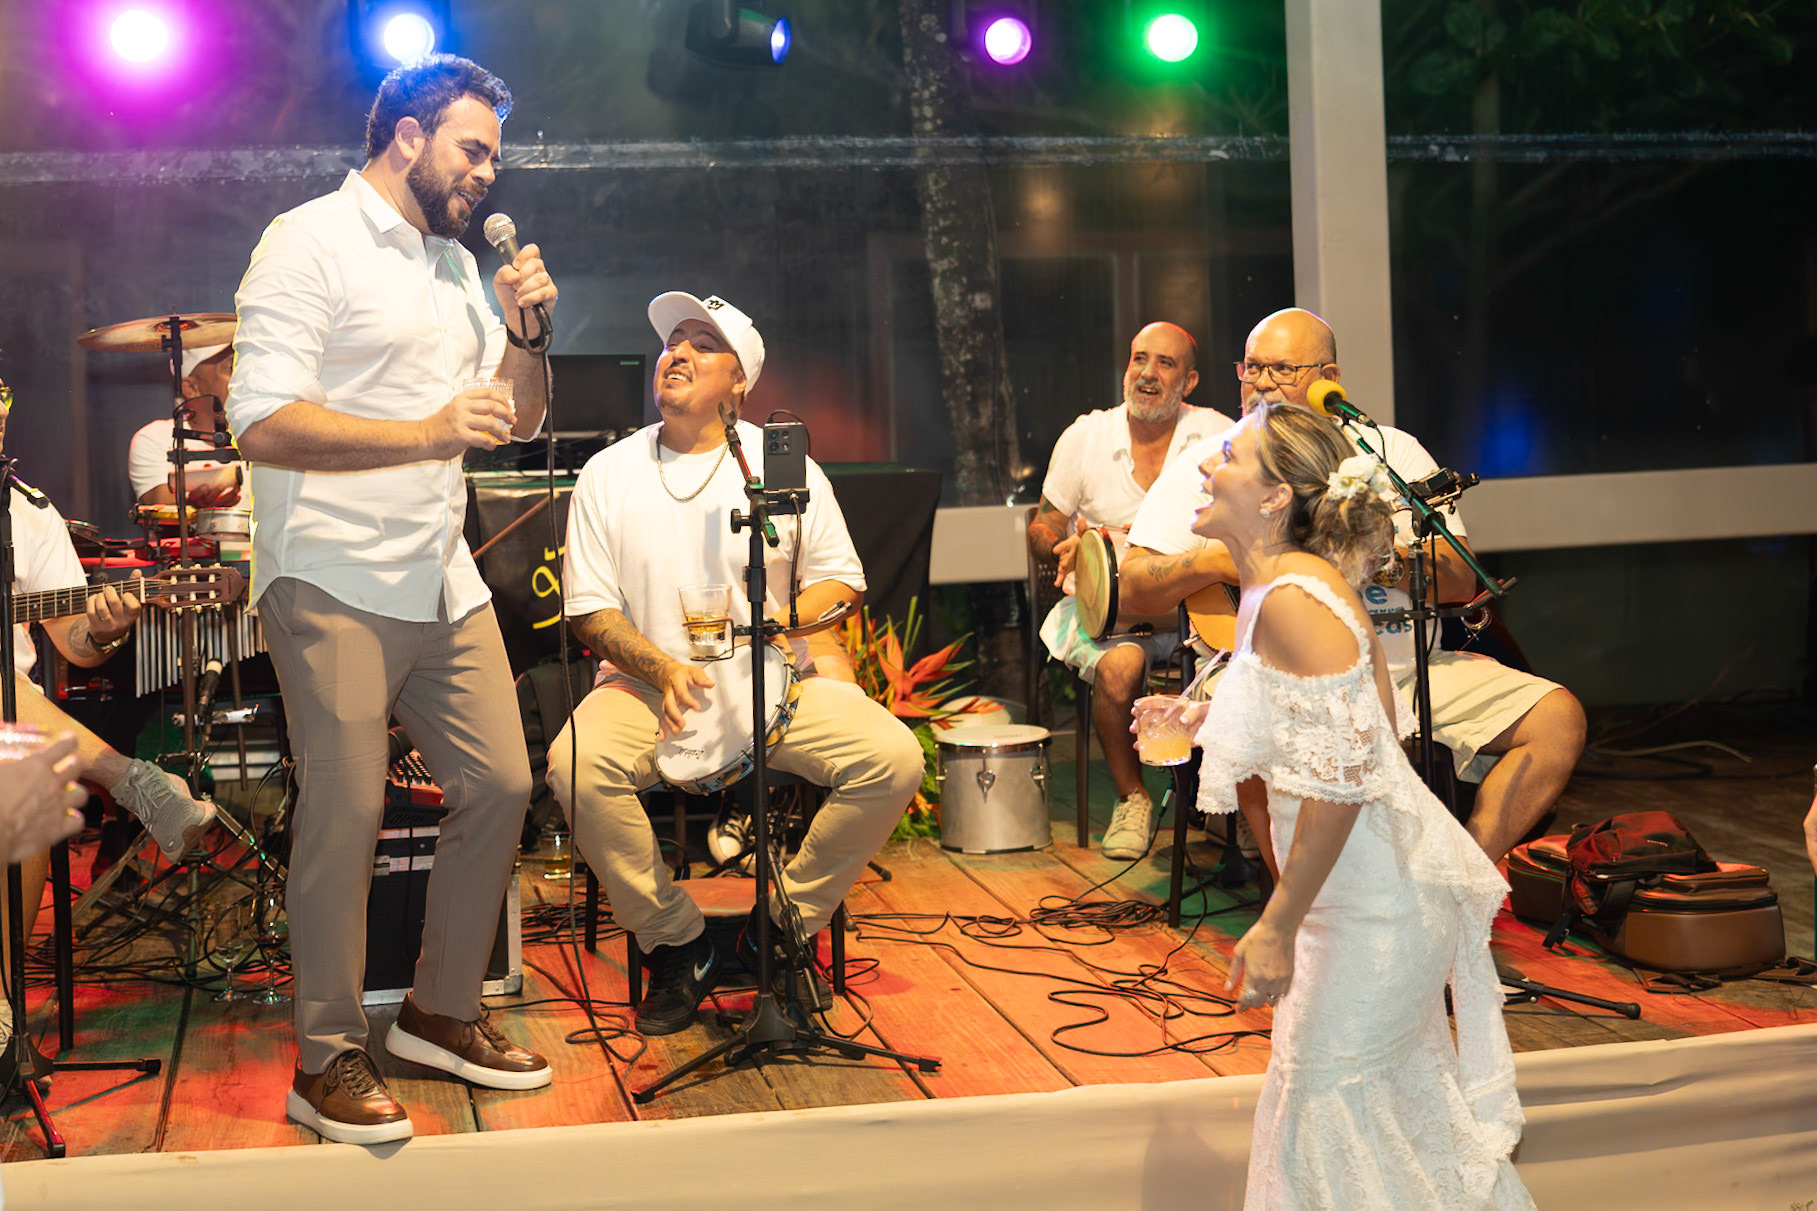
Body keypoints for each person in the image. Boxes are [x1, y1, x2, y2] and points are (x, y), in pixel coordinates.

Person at [227, 54, 556, 1145]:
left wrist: (525, 334)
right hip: (327, 569)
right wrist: (424, 433)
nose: (486, 175)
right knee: (350, 805)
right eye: (473, 149)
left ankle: (437, 1011)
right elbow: (262, 419)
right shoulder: (307, 240)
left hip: (436, 572)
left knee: (504, 780)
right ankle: (326, 1056)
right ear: (407, 136)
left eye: (493, 157)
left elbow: (518, 417)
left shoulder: (460, 267)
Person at [1132, 401, 1532, 1208]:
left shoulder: (1290, 598)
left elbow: (1347, 773)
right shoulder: (1288, 586)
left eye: (1227, 458)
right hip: (1353, 900)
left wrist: (1276, 921)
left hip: (1371, 910)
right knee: (1361, 1127)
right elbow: (1366, 725)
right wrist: (1207, 715)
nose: (1206, 468)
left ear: (1277, 496)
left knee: (1329, 1116)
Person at [548, 291, 923, 1036]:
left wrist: (781, 621)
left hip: (776, 682)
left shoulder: (783, 466)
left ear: (739, 380)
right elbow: (590, 609)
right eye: (671, 341)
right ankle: (675, 940)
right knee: (573, 765)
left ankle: (781, 925)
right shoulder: (609, 472)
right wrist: (659, 668)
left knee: (892, 757)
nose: (675, 353)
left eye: (700, 343)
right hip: (645, 686)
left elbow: (842, 580)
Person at [1122, 308, 1586, 868]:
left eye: (1282, 370)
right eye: (1253, 369)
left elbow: (1461, 581)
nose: (1261, 384)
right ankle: (1299, 912)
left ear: (1329, 379)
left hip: (1406, 669)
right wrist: (1216, 561)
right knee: (1248, 728)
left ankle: (1461, 878)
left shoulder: (1390, 455)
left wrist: (1372, 562)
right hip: (1264, 671)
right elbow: (1132, 591)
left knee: (1558, 719)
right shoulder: (1215, 462)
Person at [1027, 322, 1232, 860]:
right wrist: (1059, 549)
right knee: (1120, 670)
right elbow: (1043, 525)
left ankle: (1224, 806)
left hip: (1194, 617)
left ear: (1188, 382)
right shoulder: (1086, 437)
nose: (1146, 373)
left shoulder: (1216, 433)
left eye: (1164, 364)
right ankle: (1133, 797)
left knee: (1245, 667)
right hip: (1109, 617)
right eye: (1139, 359)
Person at [127, 342, 242, 507]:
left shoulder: (260, 435)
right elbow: (162, 511)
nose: (242, 378)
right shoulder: (156, 438)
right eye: (230, 368)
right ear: (190, 388)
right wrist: (197, 510)